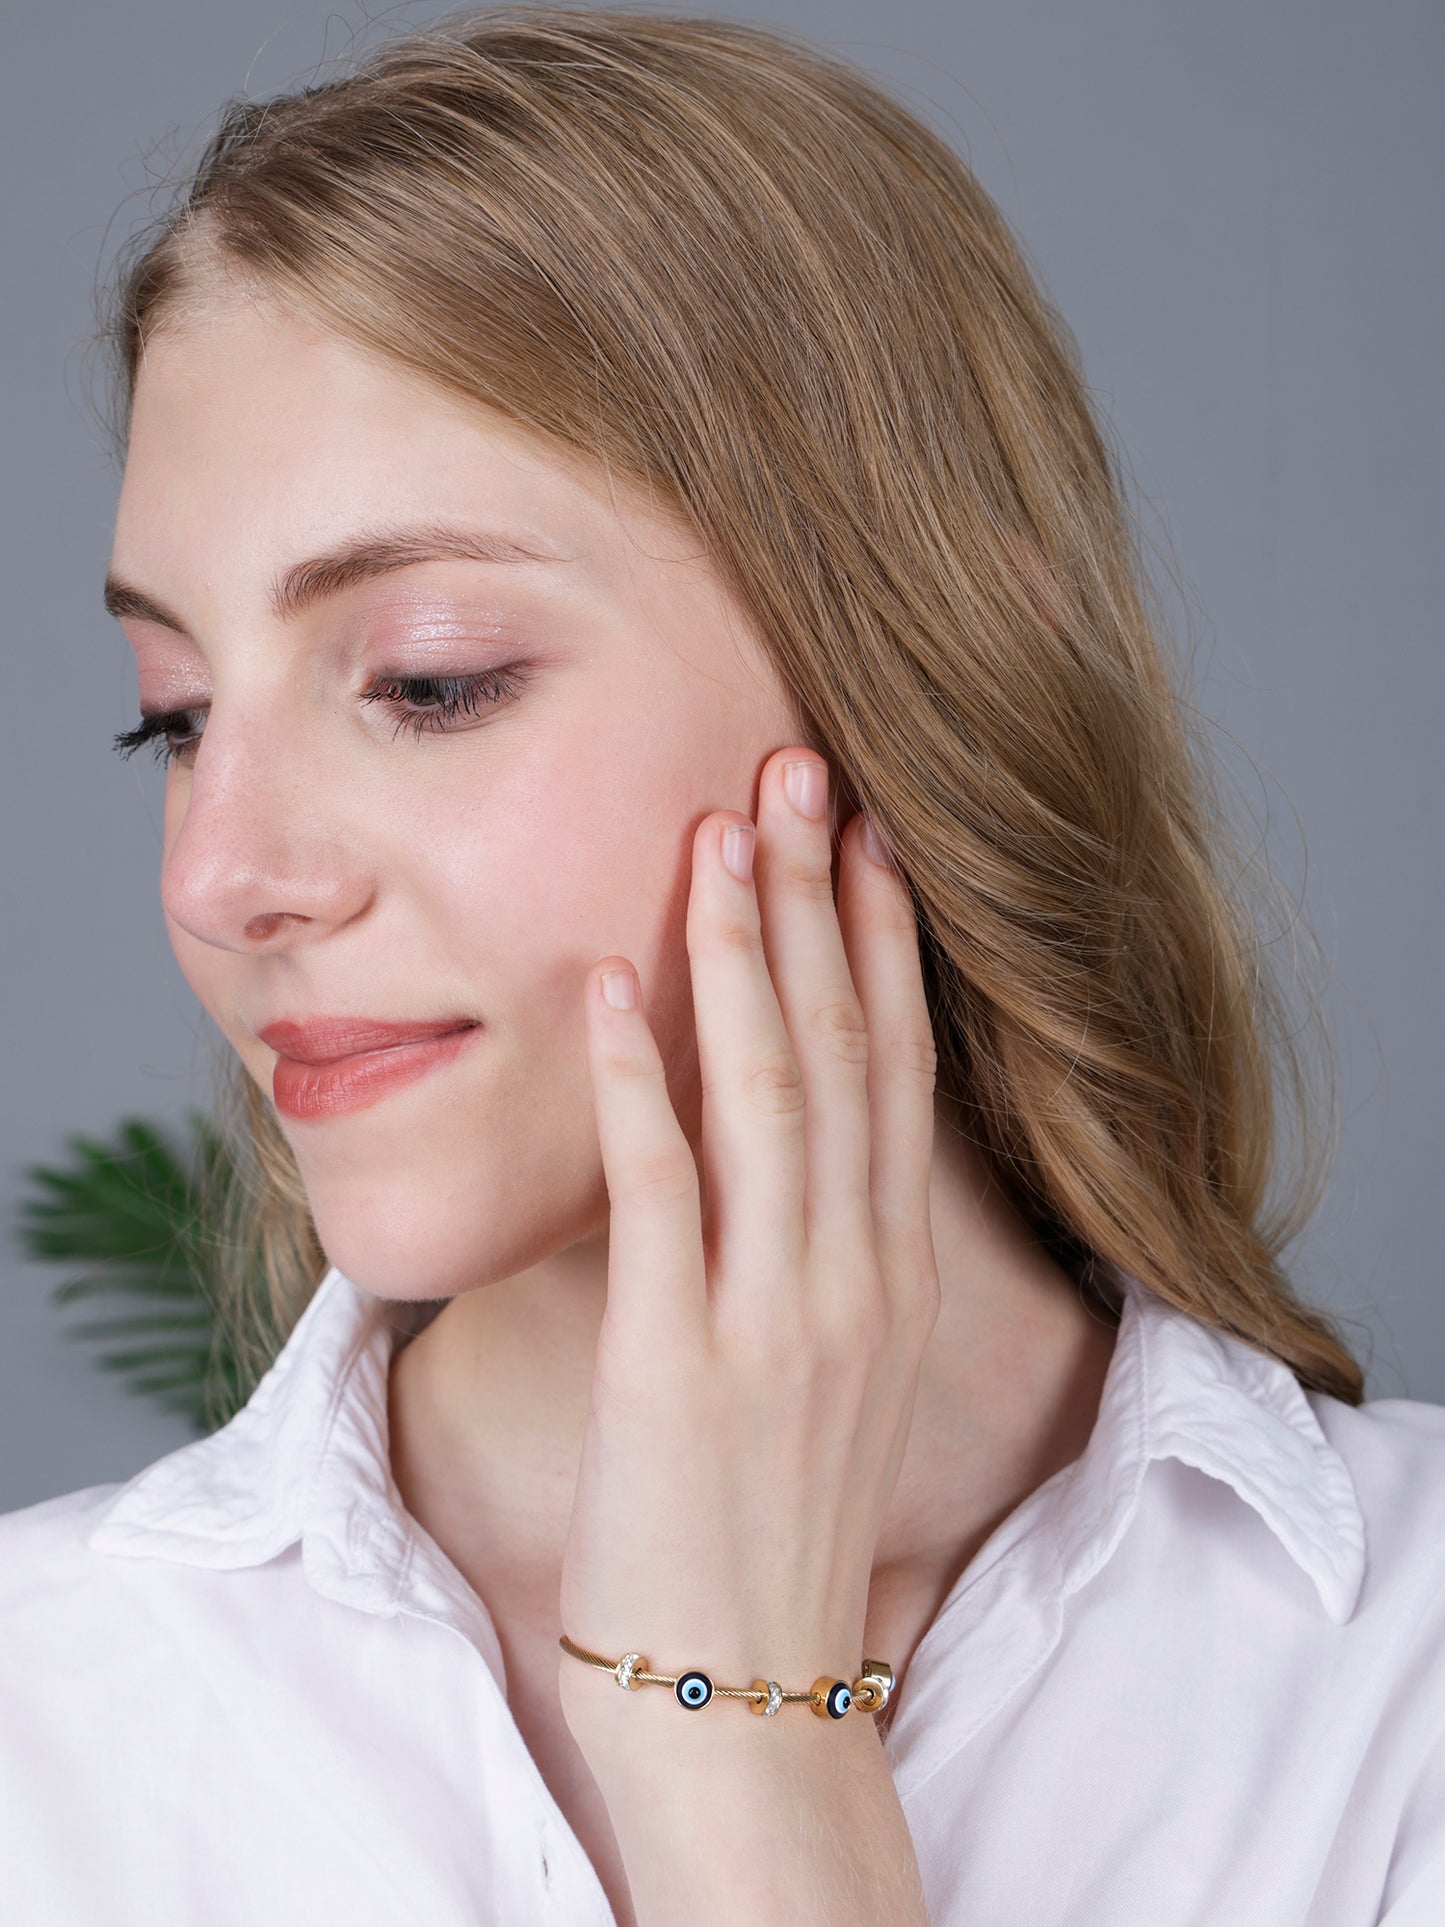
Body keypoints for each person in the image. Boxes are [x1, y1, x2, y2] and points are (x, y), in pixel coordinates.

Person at [2, 7, 1442, 1922]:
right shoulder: (44, 1719)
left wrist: (737, 1756)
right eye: (172, 717)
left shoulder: (1397, 1682)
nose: (222, 874)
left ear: (931, 673)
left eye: (432, 681)